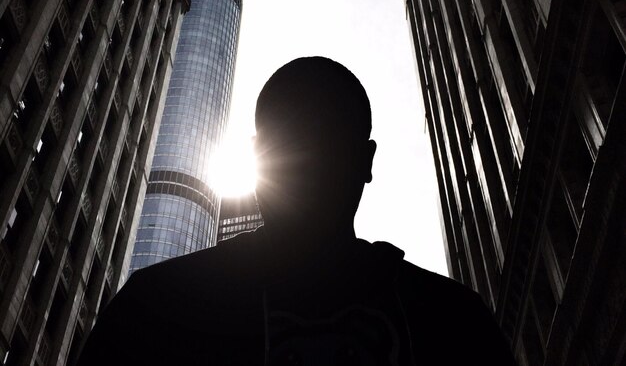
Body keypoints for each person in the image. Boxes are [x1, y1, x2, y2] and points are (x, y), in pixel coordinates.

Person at [77, 56, 516, 365]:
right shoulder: (157, 309)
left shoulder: (451, 322)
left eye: (324, 143)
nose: (304, 164)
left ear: (363, 162)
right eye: (290, 142)